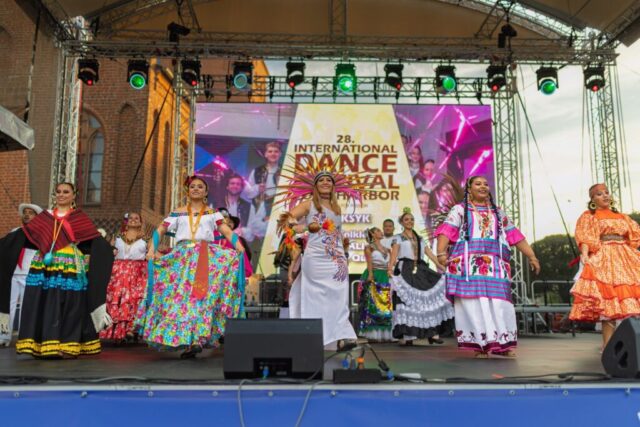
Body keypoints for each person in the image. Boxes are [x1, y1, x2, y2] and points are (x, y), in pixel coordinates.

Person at [0, 182, 114, 358]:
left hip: (70, 264)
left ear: (73, 195)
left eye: (66, 192)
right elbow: (23, 235)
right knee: (43, 301)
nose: (61, 194)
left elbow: (95, 241)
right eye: (58, 191)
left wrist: (106, 251)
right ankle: (43, 345)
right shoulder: (45, 218)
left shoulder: (78, 218)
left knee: (69, 303)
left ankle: (67, 345)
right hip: (43, 264)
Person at [137, 176, 244, 358]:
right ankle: (186, 340)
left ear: (206, 191)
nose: (196, 189)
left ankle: (195, 341)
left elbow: (226, 231)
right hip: (182, 259)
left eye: (200, 186)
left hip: (204, 257)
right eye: (192, 186)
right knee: (180, 299)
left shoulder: (212, 213)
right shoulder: (177, 213)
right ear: (188, 191)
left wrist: (239, 246)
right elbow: (160, 230)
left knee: (201, 298)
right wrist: (152, 249)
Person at [435, 176, 540, 358]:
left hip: (495, 265)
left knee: (500, 304)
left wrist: (531, 256)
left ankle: (504, 344)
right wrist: (441, 253)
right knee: (474, 304)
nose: (483, 186)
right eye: (478, 184)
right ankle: (480, 346)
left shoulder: (497, 212)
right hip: (468, 267)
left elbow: (514, 235)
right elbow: (447, 230)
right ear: (469, 189)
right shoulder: (460, 210)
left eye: (485, 184)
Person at [277, 164, 370, 350]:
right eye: (322, 180)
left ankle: (340, 335)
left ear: (333, 186)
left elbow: (337, 232)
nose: (326, 182)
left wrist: (344, 250)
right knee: (314, 296)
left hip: (336, 258)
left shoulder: (337, 208)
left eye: (329, 180)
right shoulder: (309, 204)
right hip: (315, 257)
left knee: (339, 295)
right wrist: (303, 227)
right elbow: (287, 220)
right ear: (316, 185)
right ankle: (313, 335)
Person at [569, 183, 640, 349]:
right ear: (592, 199)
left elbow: (634, 236)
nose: (605, 196)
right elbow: (586, 237)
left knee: (628, 300)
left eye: (607, 192)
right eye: (600, 194)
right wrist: (584, 254)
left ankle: (629, 346)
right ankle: (608, 347)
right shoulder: (589, 216)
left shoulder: (622, 217)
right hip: (604, 258)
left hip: (624, 258)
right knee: (608, 304)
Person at [388, 208, 453, 345]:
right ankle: (408, 336)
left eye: (411, 219)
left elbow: (431, 255)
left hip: (420, 268)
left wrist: (442, 267)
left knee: (426, 301)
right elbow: (394, 256)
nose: (409, 221)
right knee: (408, 302)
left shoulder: (420, 238)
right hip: (405, 269)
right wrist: (390, 269)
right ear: (401, 222)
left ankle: (432, 333)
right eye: (406, 219)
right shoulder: (398, 238)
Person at [100, 212, 147, 343]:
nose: (133, 220)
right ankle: (117, 333)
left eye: (136, 218)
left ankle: (131, 330)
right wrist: (110, 251)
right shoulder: (117, 237)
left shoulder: (146, 239)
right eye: (130, 218)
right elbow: (109, 251)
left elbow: (151, 254)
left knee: (132, 300)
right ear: (126, 221)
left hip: (137, 274)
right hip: (118, 273)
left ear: (140, 222)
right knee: (118, 300)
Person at [0, 203, 42, 347]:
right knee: (7, 305)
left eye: (31, 212)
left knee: (27, 306)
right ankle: (3, 336)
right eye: (25, 212)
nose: (27, 215)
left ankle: (25, 337)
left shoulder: (40, 234)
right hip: (13, 273)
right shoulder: (16, 232)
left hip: (30, 274)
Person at [358, 227, 393, 341]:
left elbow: (390, 263)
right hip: (374, 275)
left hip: (384, 276)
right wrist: (370, 275)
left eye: (380, 231)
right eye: (377, 231)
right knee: (373, 305)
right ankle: (373, 334)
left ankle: (384, 334)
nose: (381, 232)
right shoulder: (369, 248)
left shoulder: (387, 249)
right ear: (372, 234)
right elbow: (369, 263)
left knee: (385, 306)